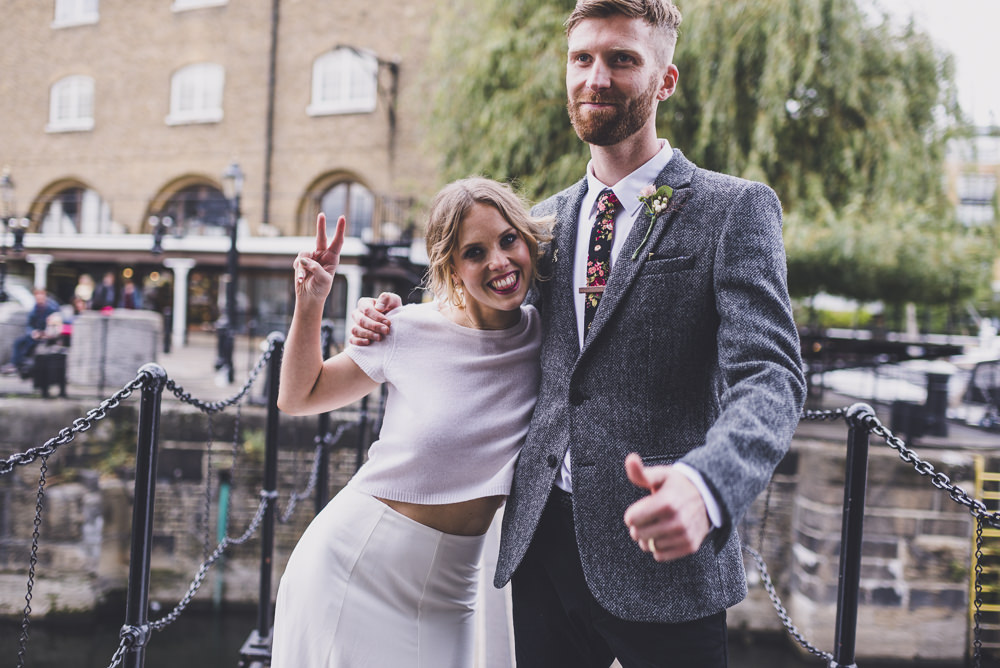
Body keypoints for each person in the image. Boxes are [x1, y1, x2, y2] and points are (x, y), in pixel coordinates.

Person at [350, 1, 806, 665]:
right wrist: (388, 320)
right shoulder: (542, 224)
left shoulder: (733, 209)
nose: (596, 77)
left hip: (664, 553)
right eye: (582, 58)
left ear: (665, 81)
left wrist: (707, 486)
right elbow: (483, 323)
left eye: (622, 59)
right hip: (541, 546)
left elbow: (771, 375)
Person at [270, 177, 551, 667]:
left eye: (509, 240)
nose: (500, 262)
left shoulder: (550, 338)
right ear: (451, 267)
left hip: (452, 591)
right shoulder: (407, 328)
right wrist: (311, 301)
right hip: (353, 567)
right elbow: (300, 396)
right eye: (475, 252)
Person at [2, 287, 60, 375]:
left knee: (31, 345)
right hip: (36, 335)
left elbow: (55, 323)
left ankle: (21, 365)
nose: (39, 299)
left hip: (47, 335)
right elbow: (29, 325)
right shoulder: (34, 310)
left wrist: (44, 333)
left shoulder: (52, 308)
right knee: (19, 342)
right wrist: (33, 332)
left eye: (41, 296)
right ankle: (15, 364)